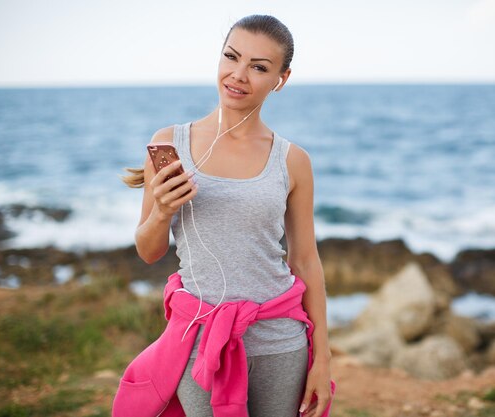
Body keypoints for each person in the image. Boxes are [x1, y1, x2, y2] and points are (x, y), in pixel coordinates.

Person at [118, 14, 334, 417]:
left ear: (281, 79)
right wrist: (163, 211)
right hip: (201, 340)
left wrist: (321, 357)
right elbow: (148, 251)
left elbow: (305, 260)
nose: (238, 75)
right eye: (231, 57)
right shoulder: (168, 143)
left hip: (281, 341)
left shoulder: (293, 160)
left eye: (259, 67)